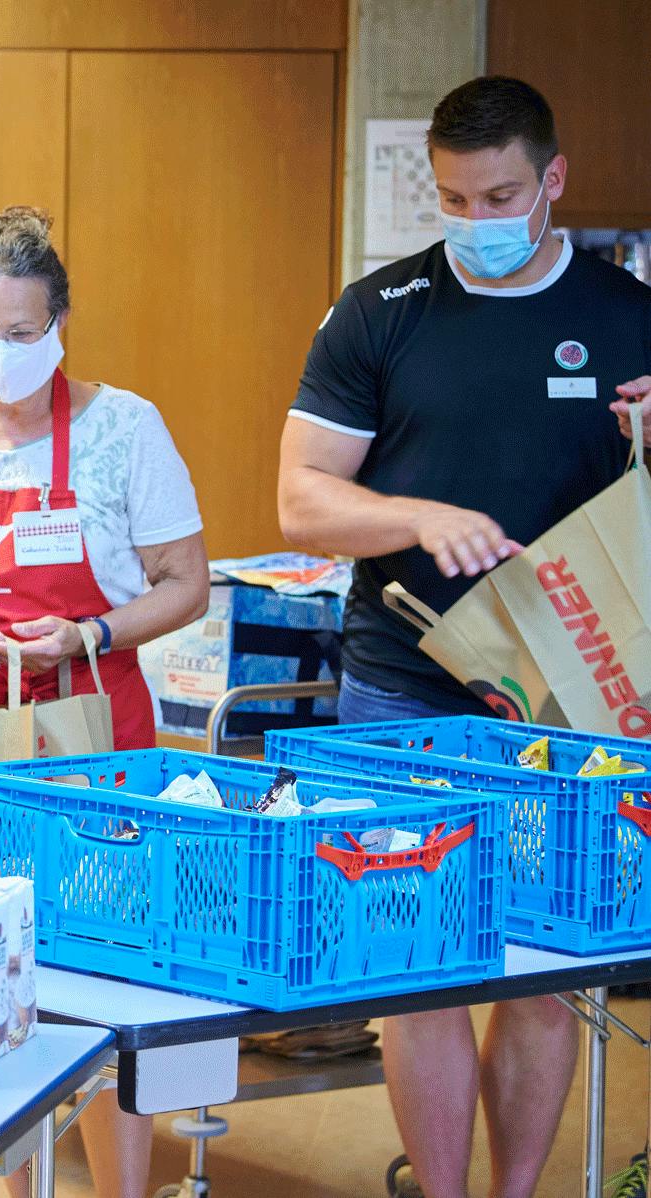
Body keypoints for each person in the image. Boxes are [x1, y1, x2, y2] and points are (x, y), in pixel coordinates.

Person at [278, 77, 651, 1198]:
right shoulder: (379, 311)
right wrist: (415, 516)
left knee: (539, 976)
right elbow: (300, 500)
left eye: (498, 195)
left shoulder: (627, 314)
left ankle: (513, 1192)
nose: (476, 221)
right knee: (419, 965)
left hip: (566, 695)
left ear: (553, 181)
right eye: (452, 198)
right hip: (402, 686)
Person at [0, 206, 208, 1198]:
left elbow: (186, 581)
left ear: (60, 325)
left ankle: (118, 1191)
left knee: (107, 975)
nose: (1, 353)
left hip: (92, 733)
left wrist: (88, 632)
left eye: (22, 334)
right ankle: (8, 1187)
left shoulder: (122, 429)